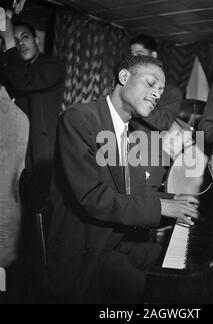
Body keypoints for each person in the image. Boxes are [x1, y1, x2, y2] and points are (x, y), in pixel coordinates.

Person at [47, 54, 199, 303]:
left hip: (117, 241)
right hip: (86, 248)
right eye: (151, 84)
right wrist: (163, 206)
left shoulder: (136, 132)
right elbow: (93, 198)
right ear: (124, 77)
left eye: (160, 90)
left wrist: (177, 199)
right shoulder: (79, 119)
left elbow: (134, 194)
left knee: (185, 266)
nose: (157, 94)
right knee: (148, 290)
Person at [0, 11, 66, 212]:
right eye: (16, 39)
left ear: (37, 40)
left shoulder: (52, 66)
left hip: (39, 155)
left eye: (25, 37)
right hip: (13, 154)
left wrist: (9, 37)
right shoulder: (10, 70)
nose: (20, 43)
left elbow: (23, 80)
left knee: (36, 211)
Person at [129, 34, 183, 191]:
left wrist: (134, 103)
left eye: (138, 55)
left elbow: (163, 122)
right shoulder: (129, 86)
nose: (133, 60)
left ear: (153, 56)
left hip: (149, 160)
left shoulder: (171, 91)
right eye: (131, 56)